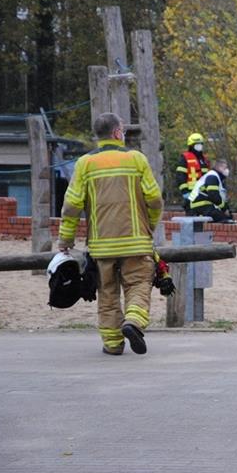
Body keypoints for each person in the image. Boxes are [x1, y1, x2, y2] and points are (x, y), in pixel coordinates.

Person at [58, 112, 163, 355]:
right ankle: (133, 322)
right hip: (136, 242)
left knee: (107, 293)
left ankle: (113, 344)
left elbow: (71, 205)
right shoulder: (136, 159)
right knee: (138, 284)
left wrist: (66, 240)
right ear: (117, 133)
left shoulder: (85, 163)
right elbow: (155, 200)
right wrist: (150, 227)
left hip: (101, 246)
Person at [175, 132, 210, 214]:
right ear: (191, 145)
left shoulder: (204, 159)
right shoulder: (185, 157)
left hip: (203, 194)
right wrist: (185, 191)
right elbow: (180, 176)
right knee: (191, 217)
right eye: (197, 144)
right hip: (191, 193)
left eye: (201, 144)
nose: (199, 146)